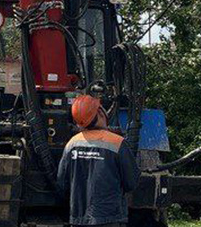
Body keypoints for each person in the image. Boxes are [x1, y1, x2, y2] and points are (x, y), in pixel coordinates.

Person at [57, 94, 140, 227]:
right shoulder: (117, 143)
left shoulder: (71, 144)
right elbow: (131, 182)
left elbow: (62, 184)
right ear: (100, 112)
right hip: (110, 219)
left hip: (79, 219)